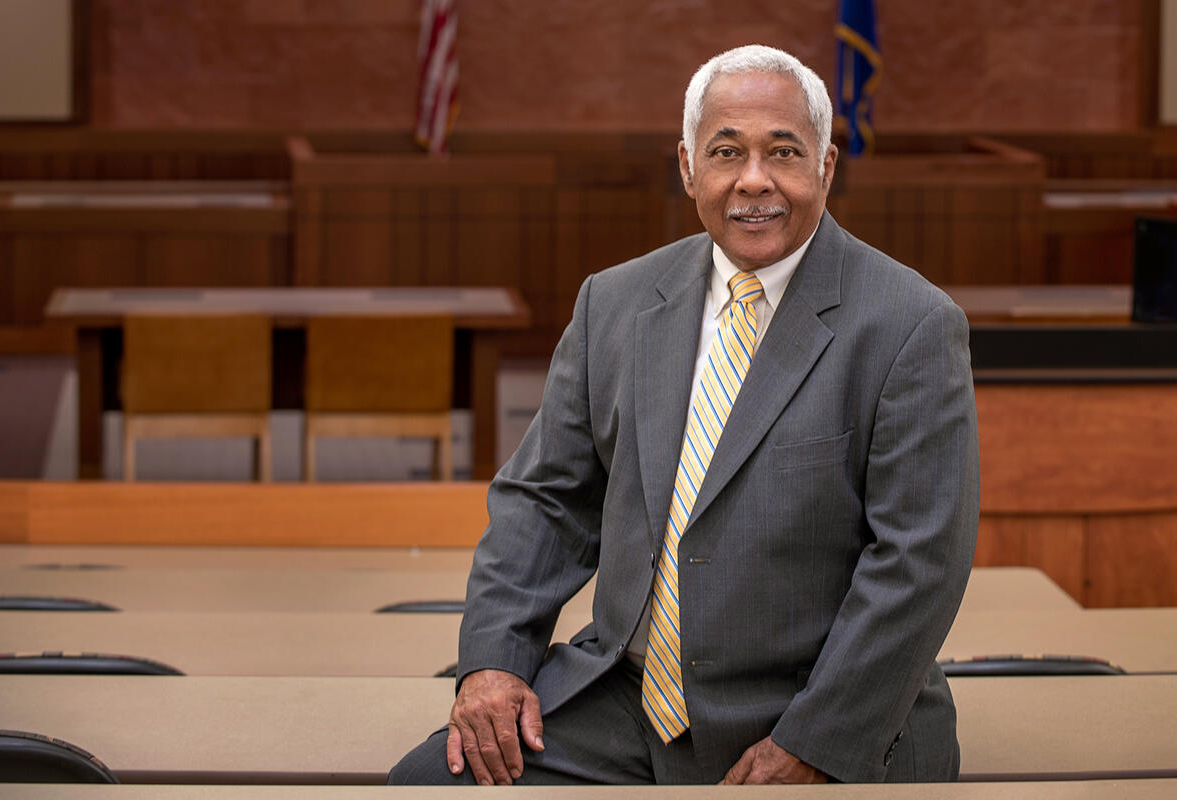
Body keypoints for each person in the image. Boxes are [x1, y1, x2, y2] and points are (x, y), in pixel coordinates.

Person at [389, 43, 979, 786]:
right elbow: (544, 501)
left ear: (825, 167)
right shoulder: (615, 303)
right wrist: (493, 665)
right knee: (426, 784)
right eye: (726, 150)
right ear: (688, 166)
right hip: (635, 702)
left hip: (812, 710)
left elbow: (920, 564)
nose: (754, 180)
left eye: (784, 152)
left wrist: (818, 741)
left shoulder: (910, 325)